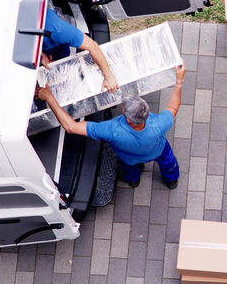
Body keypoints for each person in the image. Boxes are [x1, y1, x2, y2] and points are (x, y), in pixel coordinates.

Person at [37, 63, 186, 189]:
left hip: (128, 158)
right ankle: (171, 180)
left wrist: (50, 98)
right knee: (168, 162)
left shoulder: (112, 130)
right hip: (157, 151)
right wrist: (179, 81)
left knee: (129, 169)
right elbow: (173, 108)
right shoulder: (159, 124)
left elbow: (71, 127)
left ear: (128, 119)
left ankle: (133, 181)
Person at [42, 8, 119, 93]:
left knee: (61, 69)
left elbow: (92, 46)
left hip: (54, 42)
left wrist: (108, 77)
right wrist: (41, 56)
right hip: (38, 44)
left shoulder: (58, 31)